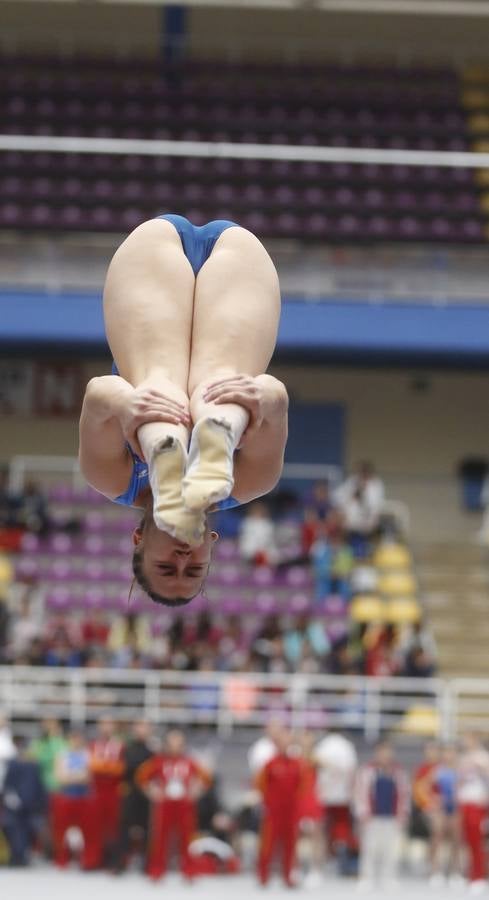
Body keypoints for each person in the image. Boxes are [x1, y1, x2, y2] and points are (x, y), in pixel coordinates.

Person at [79, 214, 287, 607]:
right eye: (194, 570)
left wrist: (127, 406)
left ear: (138, 541)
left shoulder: (110, 476)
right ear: (212, 544)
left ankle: (166, 446)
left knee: (159, 389)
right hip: (241, 257)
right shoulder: (253, 480)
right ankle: (217, 428)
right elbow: (276, 395)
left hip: (152, 254)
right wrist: (258, 400)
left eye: (165, 568)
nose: (182, 560)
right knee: (222, 383)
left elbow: (97, 394)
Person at [135, 729, 210, 880]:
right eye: (172, 743)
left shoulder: (190, 761)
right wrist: (152, 791)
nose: (175, 746)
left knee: (187, 837)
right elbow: (141, 776)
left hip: (184, 805)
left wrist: (197, 791)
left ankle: (189, 869)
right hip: (165, 804)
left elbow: (206, 778)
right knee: (160, 837)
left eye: (178, 743)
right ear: (167, 744)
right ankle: (157, 869)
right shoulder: (159, 761)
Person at [355, 741, 410, 890]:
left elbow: (404, 793)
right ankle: (366, 877)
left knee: (391, 849)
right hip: (372, 816)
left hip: (392, 816)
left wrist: (403, 813)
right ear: (376, 753)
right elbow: (361, 793)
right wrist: (362, 813)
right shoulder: (368, 771)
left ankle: (389, 877)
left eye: (388, 752)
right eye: (382, 752)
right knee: (369, 848)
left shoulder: (398, 772)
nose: (385, 755)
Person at [255, 727, 303, 887]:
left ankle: (288, 876)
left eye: (287, 740)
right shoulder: (269, 764)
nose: (284, 744)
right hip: (273, 812)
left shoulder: (297, 764)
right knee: (268, 843)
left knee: (290, 845)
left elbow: (302, 787)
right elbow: (260, 785)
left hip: (290, 811)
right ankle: (263, 876)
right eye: (281, 741)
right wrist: (267, 803)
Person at [50, 729, 101, 870]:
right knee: (61, 831)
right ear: (69, 740)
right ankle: (62, 859)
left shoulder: (88, 755)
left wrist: (71, 777)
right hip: (66, 797)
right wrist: (77, 777)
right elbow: (60, 777)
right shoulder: (63, 755)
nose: (76, 742)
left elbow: (89, 777)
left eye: (78, 739)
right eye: (73, 739)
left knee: (89, 831)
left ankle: (88, 860)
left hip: (84, 798)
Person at [111, 719, 154, 873]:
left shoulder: (152, 752)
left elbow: (153, 773)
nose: (141, 731)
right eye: (139, 727)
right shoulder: (126, 749)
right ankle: (119, 863)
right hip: (129, 794)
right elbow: (122, 770)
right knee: (124, 829)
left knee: (148, 829)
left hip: (145, 795)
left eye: (145, 728)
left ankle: (148, 864)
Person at [2, 738, 47, 866]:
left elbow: (39, 785)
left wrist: (40, 802)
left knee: (29, 830)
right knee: (12, 828)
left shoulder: (35, 765)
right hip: (14, 805)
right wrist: (10, 797)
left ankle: (23, 855)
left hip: (31, 805)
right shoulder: (13, 764)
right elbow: (8, 783)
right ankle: (16, 855)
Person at [457, 732, 489, 894]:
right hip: (465, 803)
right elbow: (460, 782)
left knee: (477, 842)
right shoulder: (463, 758)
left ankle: (480, 877)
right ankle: (470, 875)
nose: (465, 742)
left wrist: (480, 768)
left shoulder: (484, 758)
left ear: (475, 740)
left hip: (478, 804)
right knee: (467, 842)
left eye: (468, 739)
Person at [89, 717, 124, 861]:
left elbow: (121, 768)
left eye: (109, 724)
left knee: (113, 827)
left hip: (113, 791)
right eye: (103, 724)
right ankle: (94, 858)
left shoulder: (120, 745)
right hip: (97, 790)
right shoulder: (93, 745)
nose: (106, 728)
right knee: (94, 826)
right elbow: (91, 766)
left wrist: (103, 767)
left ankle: (113, 859)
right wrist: (108, 767)